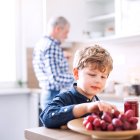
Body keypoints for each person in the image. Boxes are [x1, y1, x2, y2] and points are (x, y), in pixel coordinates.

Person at [40, 44, 118, 128]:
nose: (98, 80)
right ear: (76, 74)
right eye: (92, 75)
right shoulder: (65, 98)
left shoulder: (96, 101)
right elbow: (46, 117)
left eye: (103, 77)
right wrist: (86, 108)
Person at [32, 16, 74, 110]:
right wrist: (78, 78)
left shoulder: (41, 43)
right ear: (58, 29)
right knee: (55, 125)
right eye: (66, 32)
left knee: (50, 124)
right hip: (53, 95)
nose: (67, 36)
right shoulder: (52, 46)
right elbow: (55, 77)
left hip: (48, 93)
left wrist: (61, 57)